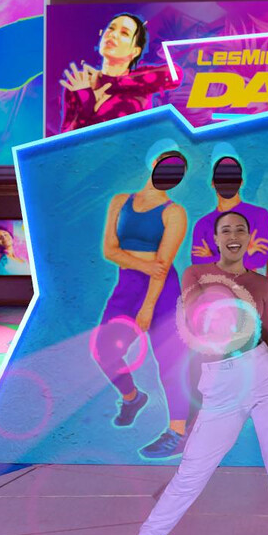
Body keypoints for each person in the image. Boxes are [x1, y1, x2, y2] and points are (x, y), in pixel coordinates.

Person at [107, 210, 268, 535]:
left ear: (249, 238)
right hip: (221, 382)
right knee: (190, 474)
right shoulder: (197, 275)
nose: (233, 235)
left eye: (240, 230)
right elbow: (202, 314)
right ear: (215, 239)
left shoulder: (261, 283)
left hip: (264, 375)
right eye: (226, 230)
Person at [92, 140, 192, 458]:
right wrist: (144, 265)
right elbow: (109, 250)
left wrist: (148, 306)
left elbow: (162, 265)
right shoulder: (120, 201)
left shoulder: (175, 212)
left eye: (178, 170)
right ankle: (133, 398)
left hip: (163, 292)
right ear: (154, 162)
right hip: (128, 286)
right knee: (104, 349)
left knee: (170, 360)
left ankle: (178, 432)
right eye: (168, 164)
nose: (172, 172)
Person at [58, 13, 179, 131]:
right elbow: (66, 138)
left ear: (135, 51)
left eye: (124, 33)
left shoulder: (140, 80)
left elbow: (174, 74)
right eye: (111, 28)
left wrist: (111, 83)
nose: (113, 34)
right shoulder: (80, 81)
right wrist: (86, 103)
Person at [188, 143, 268, 272]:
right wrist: (245, 254)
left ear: (241, 182)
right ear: (213, 183)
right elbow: (199, 264)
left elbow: (259, 259)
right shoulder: (202, 224)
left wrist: (212, 258)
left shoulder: (259, 215)